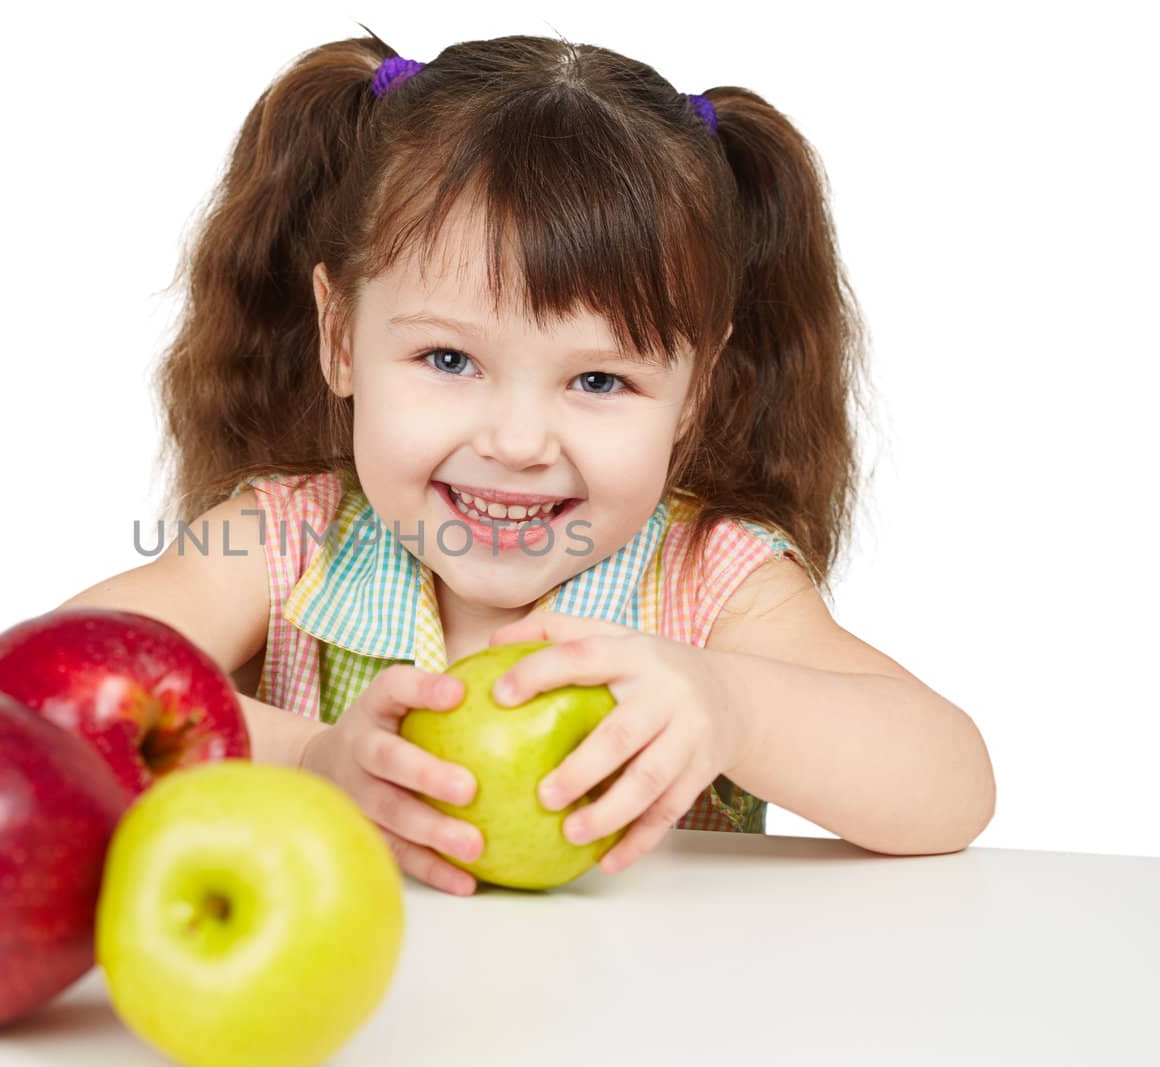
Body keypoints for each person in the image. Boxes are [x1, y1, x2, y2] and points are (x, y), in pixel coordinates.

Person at [60, 30, 996, 897]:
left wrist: (733, 705)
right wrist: (310, 762)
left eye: (597, 378)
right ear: (340, 336)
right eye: (449, 360)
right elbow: (54, 689)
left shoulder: (709, 581)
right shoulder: (287, 541)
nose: (516, 441)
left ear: (696, 389)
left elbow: (954, 785)